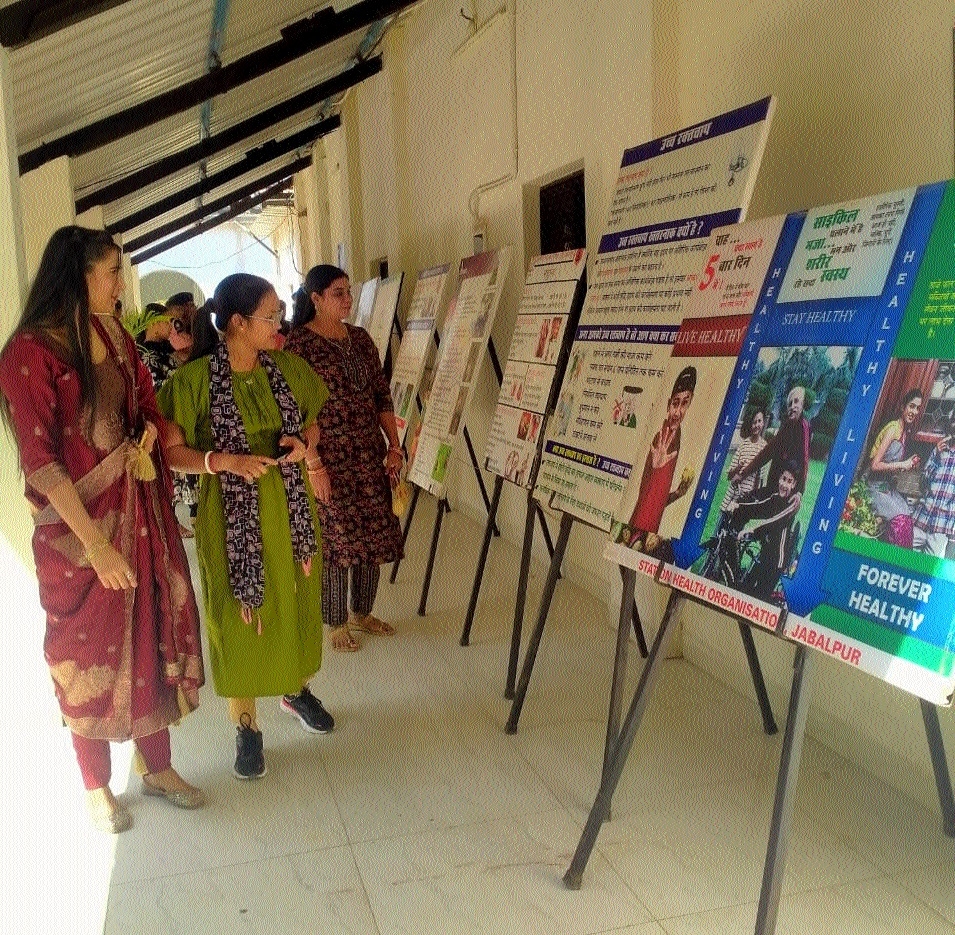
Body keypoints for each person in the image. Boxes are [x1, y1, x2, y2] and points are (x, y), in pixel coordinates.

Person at [0, 226, 205, 834]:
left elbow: (146, 403)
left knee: (154, 633)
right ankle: (96, 785)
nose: (121, 285)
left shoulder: (116, 334)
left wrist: (160, 433)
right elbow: (41, 462)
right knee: (84, 650)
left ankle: (158, 766)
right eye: (112, 273)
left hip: (139, 514)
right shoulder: (28, 355)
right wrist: (93, 544)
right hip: (77, 534)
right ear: (78, 277)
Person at [157, 273, 334, 780]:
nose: (279, 323)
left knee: (294, 600)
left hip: (289, 506)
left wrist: (307, 445)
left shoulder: (289, 368)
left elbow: (313, 419)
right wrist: (221, 461)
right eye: (270, 316)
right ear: (237, 323)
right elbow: (172, 453)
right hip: (231, 514)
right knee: (240, 613)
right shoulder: (192, 382)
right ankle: (246, 726)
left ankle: (295, 692)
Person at [287, 264, 404, 653]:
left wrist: (394, 444)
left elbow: (380, 394)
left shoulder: (360, 339)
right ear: (315, 298)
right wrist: (314, 463)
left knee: (372, 532)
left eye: (349, 291)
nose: (347, 299)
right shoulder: (298, 345)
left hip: (367, 453)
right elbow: (299, 412)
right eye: (338, 293)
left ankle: (362, 612)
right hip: (328, 458)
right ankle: (336, 621)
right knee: (337, 538)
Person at [136, 300, 199, 536]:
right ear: (153, 322)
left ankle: (187, 518)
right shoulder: (144, 354)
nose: (170, 327)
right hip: (158, 422)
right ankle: (170, 524)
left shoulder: (164, 351)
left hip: (175, 419)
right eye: (166, 321)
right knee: (165, 476)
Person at [623, 366, 696, 547]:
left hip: (646, 532)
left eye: (684, 403)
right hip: (639, 531)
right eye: (675, 403)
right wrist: (656, 472)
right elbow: (646, 498)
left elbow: (658, 501)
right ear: (668, 404)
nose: (678, 412)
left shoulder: (677, 437)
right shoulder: (662, 439)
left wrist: (678, 493)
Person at [725, 461, 802, 600]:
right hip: (764, 555)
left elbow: (775, 521)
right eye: (783, 479)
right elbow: (759, 507)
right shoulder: (775, 498)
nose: (784, 485)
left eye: (789, 481)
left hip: (775, 562)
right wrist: (738, 506)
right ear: (779, 478)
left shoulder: (793, 503)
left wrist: (753, 530)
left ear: (794, 485)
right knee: (743, 590)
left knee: (758, 598)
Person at [865, 388, 923, 545]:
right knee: (901, 521)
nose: (914, 411)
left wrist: (907, 465)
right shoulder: (893, 428)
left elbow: (891, 465)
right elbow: (875, 465)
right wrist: (901, 464)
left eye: (918, 408)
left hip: (886, 488)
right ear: (903, 406)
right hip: (874, 487)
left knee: (907, 518)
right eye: (911, 406)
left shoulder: (904, 432)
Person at [730, 385, 811, 495]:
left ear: (802, 405)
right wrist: (743, 474)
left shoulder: (804, 427)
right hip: (774, 485)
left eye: (796, 402)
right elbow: (767, 453)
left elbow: (804, 462)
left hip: (788, 490)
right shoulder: (786, 427)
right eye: (790, 404)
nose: (792, 407)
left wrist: (799, 492)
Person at [714, 408, 767, 537]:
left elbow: (760, 481)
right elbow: (729, 475)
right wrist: (738, 469)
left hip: (745, 499)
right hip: (732, 494)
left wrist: (752, 500)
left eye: (759, 421)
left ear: (763, 423)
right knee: (719, 530)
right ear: (750, 424)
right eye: (754, 422)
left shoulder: (764, 447)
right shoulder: (743, 445)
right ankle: (712, 556)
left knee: (733, 534)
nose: (756, 425)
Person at [911, 413, 955, 557]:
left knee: (926, 570)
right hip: (922, 518)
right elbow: (924, 480)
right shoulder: (940, 449)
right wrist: (935, 452)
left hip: (941, 528)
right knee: (901, 557)